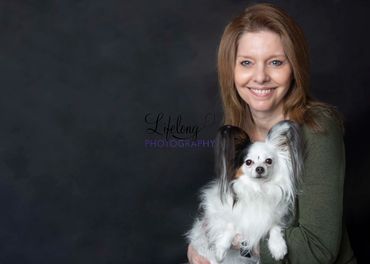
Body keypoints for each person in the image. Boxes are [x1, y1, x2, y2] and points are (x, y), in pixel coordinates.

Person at [187, 3, 357, 264]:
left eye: (275, 62)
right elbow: (226, 203)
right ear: (230, 70)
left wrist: (233, 241)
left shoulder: (317, 128)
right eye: (246, 63)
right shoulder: (241, 125)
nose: (260, 77)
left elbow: (317, 251)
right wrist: (199, 243)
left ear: (295, 67)